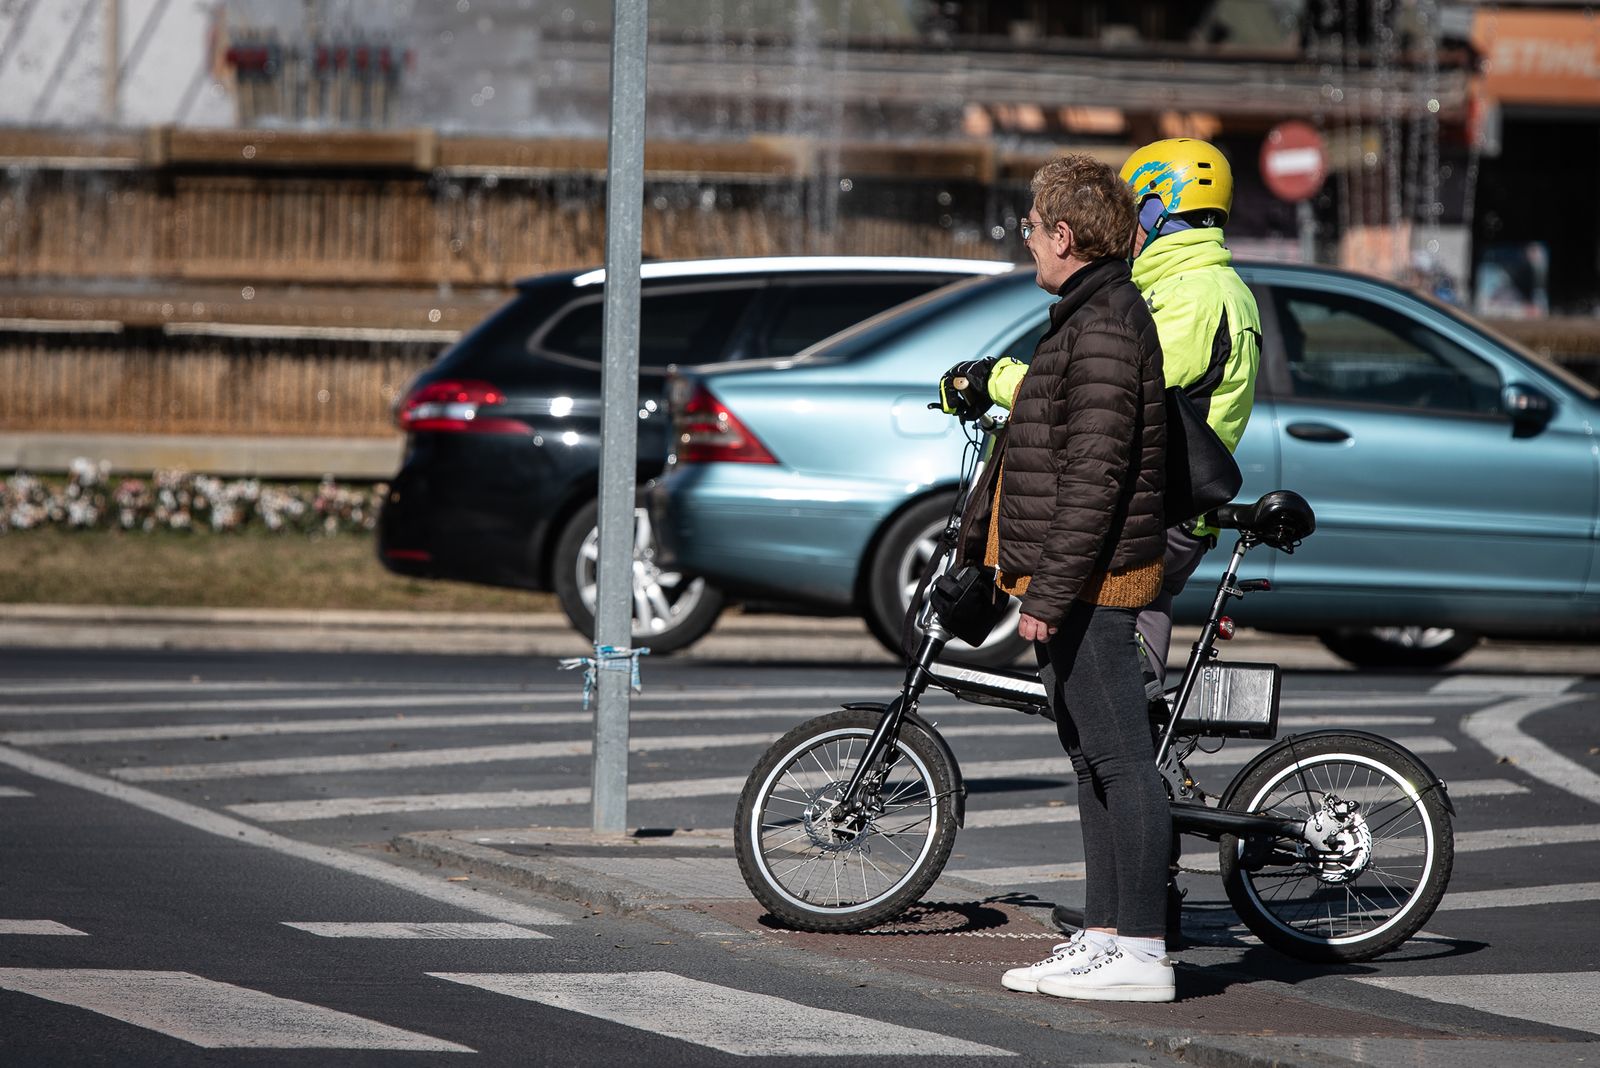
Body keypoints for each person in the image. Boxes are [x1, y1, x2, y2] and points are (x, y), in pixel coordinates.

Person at [943, 154, 1175, 1002]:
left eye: (1034, 230)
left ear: (1065, 236)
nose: (1028, 244)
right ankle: (1105, 933)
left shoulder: (1107, 324)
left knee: (1124, 764)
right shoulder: (1085, 312)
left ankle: (1145, 954)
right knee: (1091, 760)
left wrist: (1049, 592)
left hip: (1096, 585)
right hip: (1069, 578)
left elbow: (1097, 476)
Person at [1117, 137, 1261, 696]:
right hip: (1174, 511)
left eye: (1130, 209)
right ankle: (1140, 771)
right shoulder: (1206, 285)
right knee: (1134, 681)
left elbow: (1119, 389)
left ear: (1158, 208)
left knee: (1101, 684)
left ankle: (1131, 775)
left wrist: (1008, 382)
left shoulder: (1194, 293)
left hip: (1153, 506)